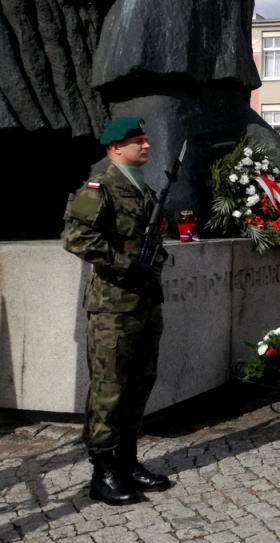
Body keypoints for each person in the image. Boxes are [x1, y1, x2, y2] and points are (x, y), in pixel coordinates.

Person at [61, 117, 171, 506]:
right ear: (114, 149)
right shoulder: (100, 187)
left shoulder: (146, 190)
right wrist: (126, 265)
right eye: (138, 141)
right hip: (112, 307)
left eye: (146, 139)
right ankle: (103, 472)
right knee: (109, 391)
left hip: (144, 301)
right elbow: (75, 237)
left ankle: (127, 461)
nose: (146, 146)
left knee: (140, 385)